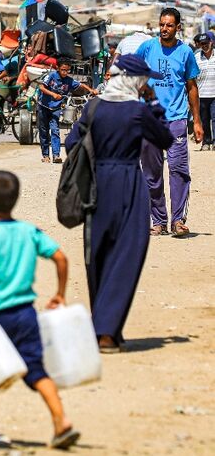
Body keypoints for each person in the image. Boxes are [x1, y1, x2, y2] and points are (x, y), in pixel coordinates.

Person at [0, 170, 78, 450]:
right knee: (35, 369)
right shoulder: (29, 232)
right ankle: (61, 420)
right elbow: (60, 257)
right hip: (25, 313)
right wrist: (59, 293)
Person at [66, 55, 173, 353]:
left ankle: (103, 325)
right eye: (143, 81)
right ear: (133, 80)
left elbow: (72, 143)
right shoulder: (138, 112)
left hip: (97, 184)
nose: (145, 85)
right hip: (128, 182)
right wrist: (153, 104)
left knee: (98, 253)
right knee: (127, 254)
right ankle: (106, 331)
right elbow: (165, 139)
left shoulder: (93, 106)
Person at [136, 7, 202, 236]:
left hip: (176, 119)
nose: (164, 29)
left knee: (178, 168)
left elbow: (192, 87)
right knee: (152, 172)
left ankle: (178, 220)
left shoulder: (185, 52)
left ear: (178, 27)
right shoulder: (147, 47)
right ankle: (159, 220)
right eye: (162, 24)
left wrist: (197, 121)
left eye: (169, 25)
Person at [37, 58, 98, 164]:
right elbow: (41, 87)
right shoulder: (51, 76)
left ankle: (56, 155)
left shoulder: (69, 80)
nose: (65, 72)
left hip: (55, 109)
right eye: (63, 70)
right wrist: (53, 94)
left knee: (55, 130)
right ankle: (46, 155)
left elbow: (80, 85)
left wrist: (91, 90)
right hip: (43, 106)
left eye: (67, 70)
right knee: (44, 131)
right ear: (58, 68)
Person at [193, 32, 215, 150]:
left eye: (206, 43)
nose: (205, 46)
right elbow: (192, 76)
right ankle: (206, 142)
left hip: (214, 94)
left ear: (211, 43)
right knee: (205, 120)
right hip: (201, 95)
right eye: (202, 44)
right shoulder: (196, 57)